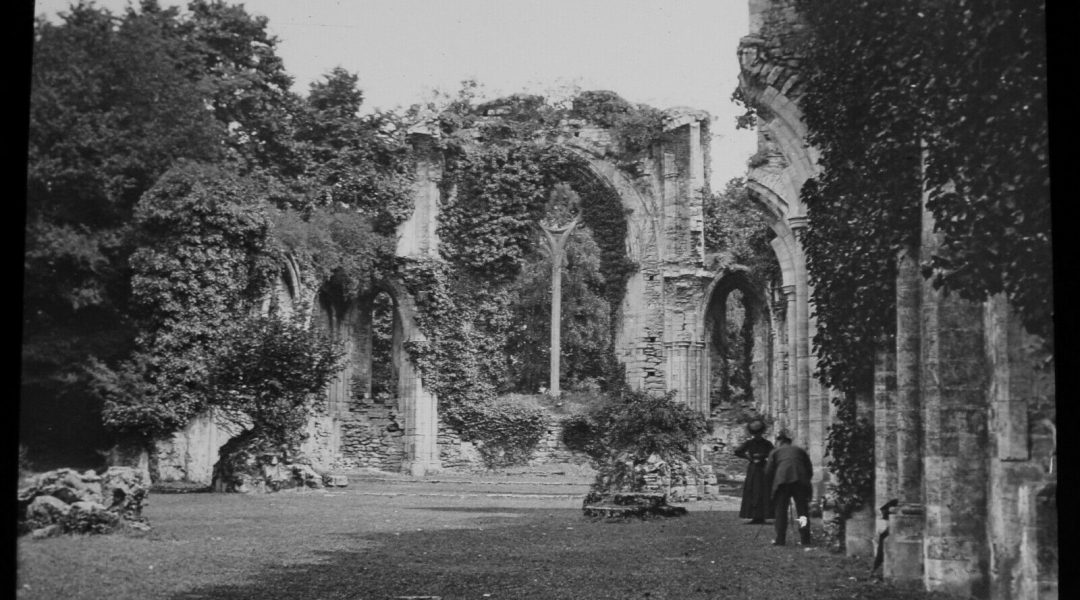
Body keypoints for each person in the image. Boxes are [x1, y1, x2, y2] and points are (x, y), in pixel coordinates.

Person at [764, 429, 813, 546]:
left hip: (782, 482)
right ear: (789, 441)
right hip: (800, 481)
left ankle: (780, 539)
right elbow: (809, 469)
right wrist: (806, 481)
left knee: (780, 511)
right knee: (802, 511)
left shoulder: (775, 452)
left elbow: (768, 471)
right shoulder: (800, 450)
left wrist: (771, 485)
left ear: (779, 441)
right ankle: (805, 539)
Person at [733, 420, 774, 524]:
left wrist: (764, 458)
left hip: (762, 469)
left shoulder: (766, 443)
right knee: (753, 491)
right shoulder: (750, 443)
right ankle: (754, 515)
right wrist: (749, 458)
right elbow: (737, 451)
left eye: (758, 433)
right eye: (756, 433)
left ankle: (763, 515)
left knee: (763, 491)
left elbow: (774, 453)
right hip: (755, 469)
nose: (757, 435)